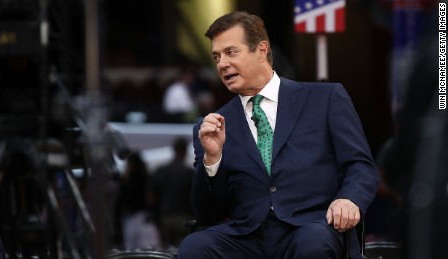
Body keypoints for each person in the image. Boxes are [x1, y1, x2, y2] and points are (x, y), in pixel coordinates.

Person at [176, 11, 379, 259]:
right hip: (246, 236)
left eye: (231, 52)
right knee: (194, 246)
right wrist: (212, 159)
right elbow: (207, 214)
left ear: (262, 50)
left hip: (310, 226)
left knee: (313, 241)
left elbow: (360, 166)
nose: (222, 64)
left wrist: (350, 199)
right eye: (216, 57)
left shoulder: (325, 98)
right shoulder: (212, 127)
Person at [149, 137, 194, 247]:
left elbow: (151, 197)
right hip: (184, 218)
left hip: (165, 218)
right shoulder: (190, 173)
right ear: (185, 151)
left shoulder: (161, 171)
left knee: (165, 253)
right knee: (183, 250)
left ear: (174, 150)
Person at [113, 152, 160, 249]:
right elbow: (152, 198)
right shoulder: (147, 178)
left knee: (130, 248)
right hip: (144, 218)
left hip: (131, 218)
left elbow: (121, 202)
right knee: (147, 248)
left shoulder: (127, 181)